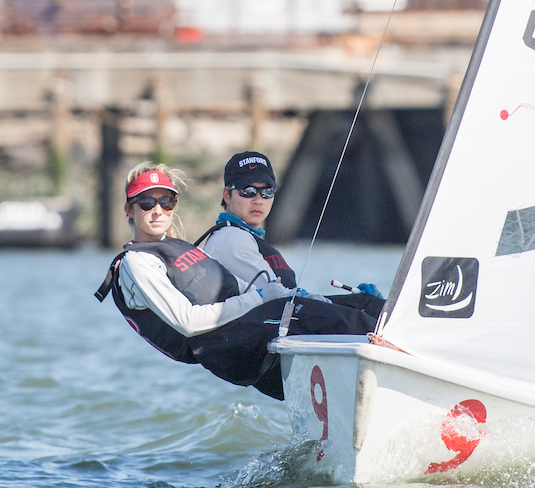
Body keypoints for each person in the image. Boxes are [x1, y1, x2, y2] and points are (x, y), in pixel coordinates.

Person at [95, 161, 377, 400]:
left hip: (246, 324)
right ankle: (393, 353)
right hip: (223, 343)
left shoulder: (180, 247)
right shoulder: (136, 262)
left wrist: (301, 298)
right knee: (317, 316)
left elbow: (239, 288)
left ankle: (392, 342)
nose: (157, 210)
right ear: (129, 210)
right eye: (146, 203)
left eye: (166, 201)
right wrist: (261, 298)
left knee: (362, 304)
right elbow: (188, 322)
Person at [196, 151, 385, 320]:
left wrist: (355, 300)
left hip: (280, 322)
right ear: (227, 196)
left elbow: (288, 298)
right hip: (263, 335)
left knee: (366, 303)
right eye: (249, 191)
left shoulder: (245, 236)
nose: (258, 200)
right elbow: (277, 298)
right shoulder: (231, 237)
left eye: (267, 192)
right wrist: (354, 306)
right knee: (370, 309)